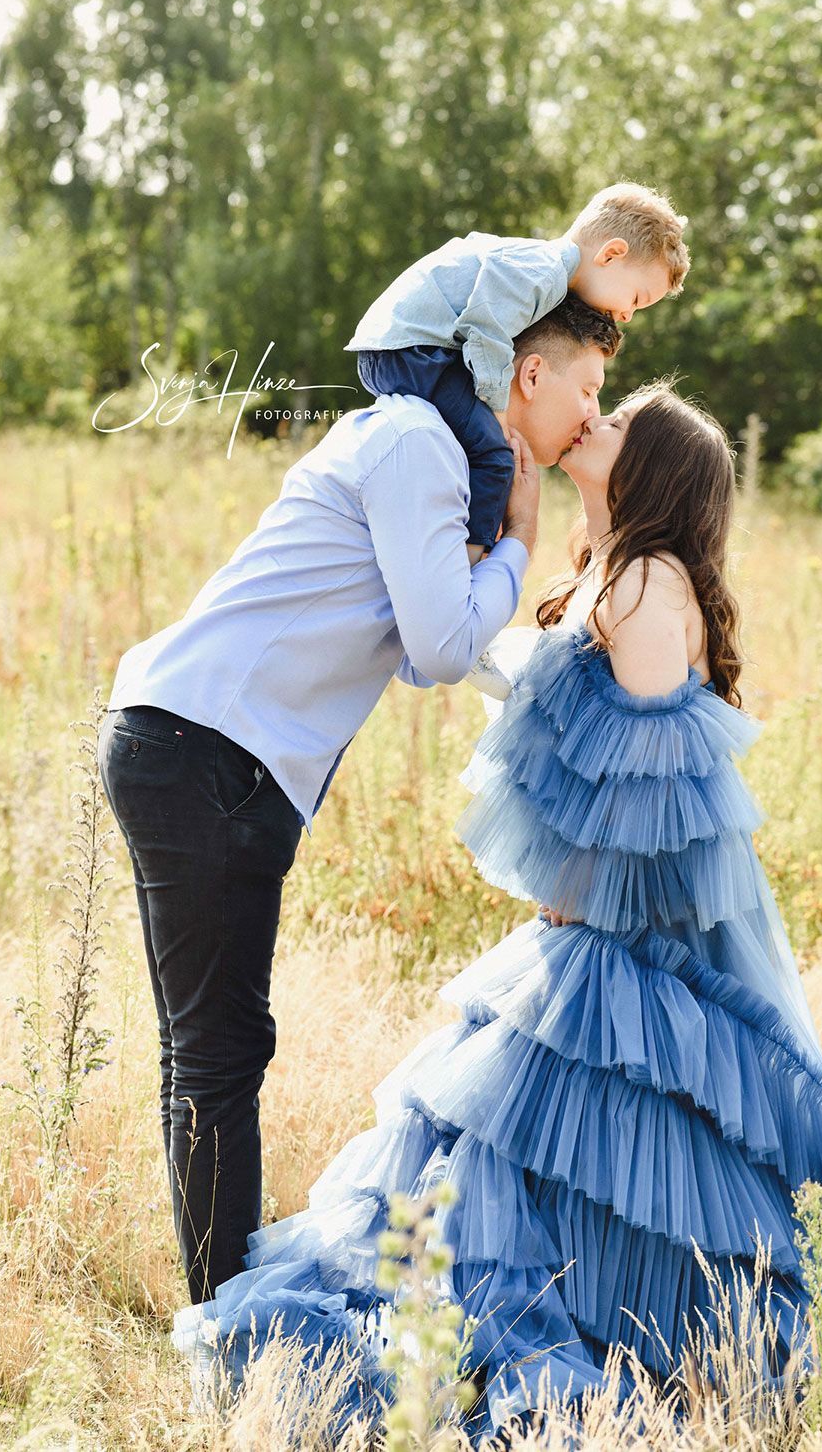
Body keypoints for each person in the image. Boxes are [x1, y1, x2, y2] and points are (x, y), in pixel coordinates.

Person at [171, 382, 822, 1444]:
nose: (594, 421)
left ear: (654, 472)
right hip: (585, 925)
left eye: (619, 423)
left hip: (619, 935)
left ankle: (644, 1343)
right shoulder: (609, 569)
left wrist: (579, 903)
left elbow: (656, 791)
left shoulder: (641, 581)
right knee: (516, 1156)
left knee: (563, 1147)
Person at [96, 296, 621, 1314]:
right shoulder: (417, 442)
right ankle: (227, 1330)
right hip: (201, 748)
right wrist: (518, 542)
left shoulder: (431, 453)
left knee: (214, 1047)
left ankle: (222, 1307)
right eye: (587, 388)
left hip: (210, 752)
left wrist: (600, 687)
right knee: (217, 1050)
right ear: (528, 376)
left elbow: (454, 646)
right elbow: (437, 649)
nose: (590, 412)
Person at [346, 180, 689, 566]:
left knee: (477, 441)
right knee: (495, 454)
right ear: (611, 254)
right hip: (411, 351)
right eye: (636, 299)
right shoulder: (540, 273)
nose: (627, 315)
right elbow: (485, 332)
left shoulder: (538, 266)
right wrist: (499, 416)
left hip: (405, 347)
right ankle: (472, 559)